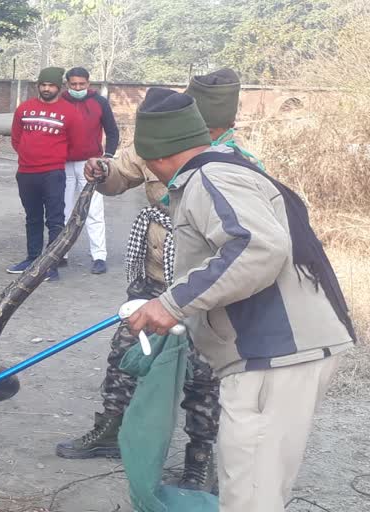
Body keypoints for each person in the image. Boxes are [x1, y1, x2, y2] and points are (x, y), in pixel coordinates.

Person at [125, 87, 354, 511]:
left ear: (156, 157)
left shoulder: (213, 178)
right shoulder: (226, 170)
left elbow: (258, 248)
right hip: (277, 353)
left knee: (250, 494)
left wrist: (170, 303)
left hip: (274, 352)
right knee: (251, 484)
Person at [56, 69, 244, 492]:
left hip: (203, 288)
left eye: (216, 130)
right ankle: (110, 429)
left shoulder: (237, 165)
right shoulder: (158, 143)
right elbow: (121, 174)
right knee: (125, 353)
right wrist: (101, 170)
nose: (208, 136)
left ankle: (200, 456)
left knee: (203, 372)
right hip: (154, 275)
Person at [8, 67, 79, 282]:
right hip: (27, 173)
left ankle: (51, 264)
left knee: (56, 219)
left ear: (59, 87)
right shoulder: (25, 109)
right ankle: (32, 258)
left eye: (51, 85)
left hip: (53, 173)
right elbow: (16, 138)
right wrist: (29, 156)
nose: (46, 89)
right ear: (38, 86)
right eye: (43, 85)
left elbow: (74, 144)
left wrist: (52, 157)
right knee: (33, 217)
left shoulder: (69, 112)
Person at [61, 67, 119, 275]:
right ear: (67, 84)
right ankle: (61, 254)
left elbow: (112, 131)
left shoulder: (100, 102)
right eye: (73, 84)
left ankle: (99, 256)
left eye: (81, 84)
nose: (78, 88)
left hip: (91, 163)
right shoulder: (60, 102)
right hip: (64, 164)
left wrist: (108, 157)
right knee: (63, 210)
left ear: (88, 83)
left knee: (94, 211)